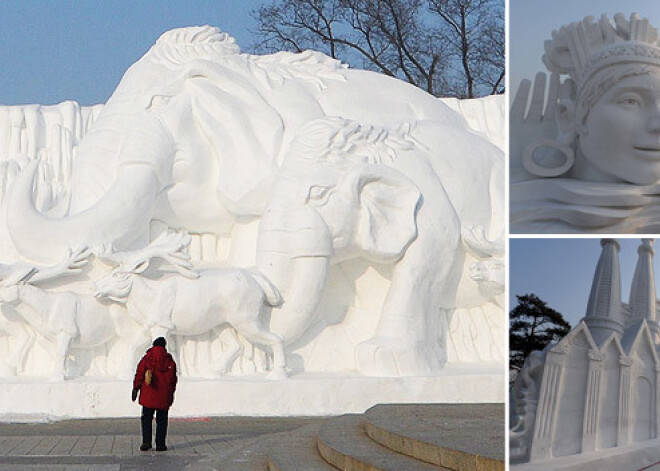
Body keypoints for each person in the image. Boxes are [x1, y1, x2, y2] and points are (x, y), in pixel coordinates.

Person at [510, 12, 660, 233]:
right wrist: (513, 165)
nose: (657, 124)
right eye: (631, 100)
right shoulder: (519, 216)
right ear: (570, 118)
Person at [132, 337, 177, 452]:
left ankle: (146, 442)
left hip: (149, 395)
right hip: (163, 396)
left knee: (146, 418)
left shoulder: (147, 359)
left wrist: (136, 388)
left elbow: (140, 373)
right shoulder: (170, 361)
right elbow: (173, 380)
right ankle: (160, 444)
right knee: (162, 420)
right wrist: (171, 394)